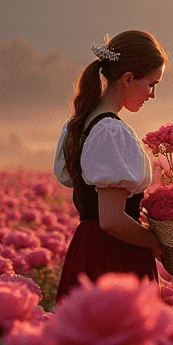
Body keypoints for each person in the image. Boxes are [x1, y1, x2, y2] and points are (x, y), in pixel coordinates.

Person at [54, 31, 167, 302]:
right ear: (127, 79)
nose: (152, 94)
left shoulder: (80, 124)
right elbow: (112, 220)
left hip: (87, 248)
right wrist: (155, 243)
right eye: (151, 84)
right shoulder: (110, 131)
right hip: (113, 255)